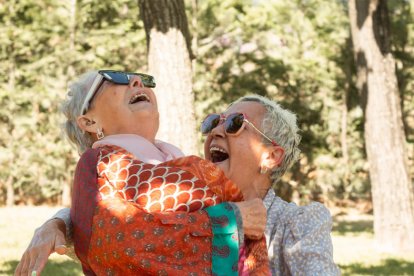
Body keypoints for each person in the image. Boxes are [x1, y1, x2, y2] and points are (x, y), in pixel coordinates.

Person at [16, 80, 340, 275]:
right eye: (214, 121)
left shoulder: (298, 222)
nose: (216, 129)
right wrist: (57, 224)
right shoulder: (186, 191)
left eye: (234, 124)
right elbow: (116, 221)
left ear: (271, 156)